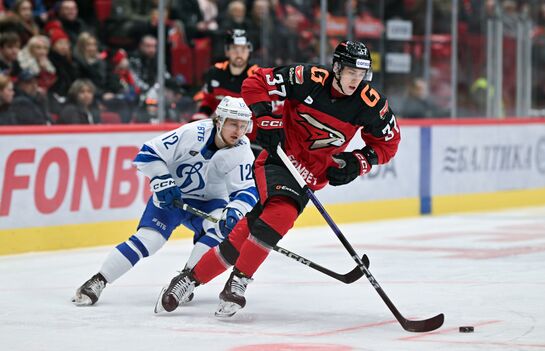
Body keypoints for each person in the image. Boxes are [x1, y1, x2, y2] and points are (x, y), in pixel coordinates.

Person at [155, 40, 401, 317]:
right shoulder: (307, 78)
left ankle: (188, 278)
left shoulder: (370, 104)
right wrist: (260, 116)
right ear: (336, 68)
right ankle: (238, 282)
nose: (356, 81)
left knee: (245, 236)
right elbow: (256, 81)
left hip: (309, 177)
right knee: (282, 213)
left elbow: (389, 143)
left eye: (361, 75)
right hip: (277, 159)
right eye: (350, 73)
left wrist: (359, 162)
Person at [72, 96, 259, 306]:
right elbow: (148, 153)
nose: (238, 131)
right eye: (233, 124)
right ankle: (98, 280)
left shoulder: (242, 150)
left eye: (243, 125)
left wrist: (234, 211)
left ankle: (185, 280)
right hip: (174, 197)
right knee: (149, 240)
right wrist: (163, 182)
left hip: (211, 203)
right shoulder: (192, 133)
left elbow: (247, 190)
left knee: (220, 230)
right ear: (219, 121)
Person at [192, 29, 258, 121]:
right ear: (227, 51)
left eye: (243, 48)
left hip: (248, 126)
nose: (239, 53)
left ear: (249, 50)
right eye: (234, 48)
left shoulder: (257, 76)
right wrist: (202, 115)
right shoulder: (215, 72)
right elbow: (208, 100)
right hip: (221, 125)